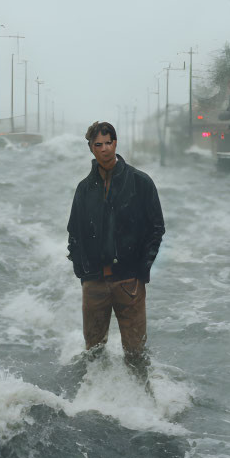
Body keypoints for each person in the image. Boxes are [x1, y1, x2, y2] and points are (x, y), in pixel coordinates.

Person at [67, 120, 165, 367]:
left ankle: (142, 402)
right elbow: (74, 232)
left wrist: (142, 270)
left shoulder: (140, 182)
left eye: (108, 142)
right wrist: (84, 273)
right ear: (91, 148)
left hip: (129, 282)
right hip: (94, 283)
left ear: (116, 143)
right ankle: (92, 400)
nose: (105, 149)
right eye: (98, 144)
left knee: (136, 355)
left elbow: (156, 229)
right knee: (93, 354)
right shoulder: (84, 189)